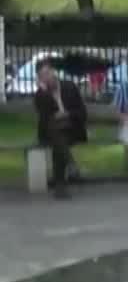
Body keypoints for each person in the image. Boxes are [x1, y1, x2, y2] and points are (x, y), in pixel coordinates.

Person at [32, 63, 87, 199]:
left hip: (72, 128)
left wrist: (67, 114)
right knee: (56, 132)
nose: (46, 77)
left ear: (54, 72)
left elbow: (82, 112)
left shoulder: (69, 87)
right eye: (42, 76)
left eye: (47, 73)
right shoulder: (40, 94)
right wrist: (44, 92)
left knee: (58, 141)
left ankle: (61, 185)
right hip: (52, 131)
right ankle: (70, 166)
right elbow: (44, 116)